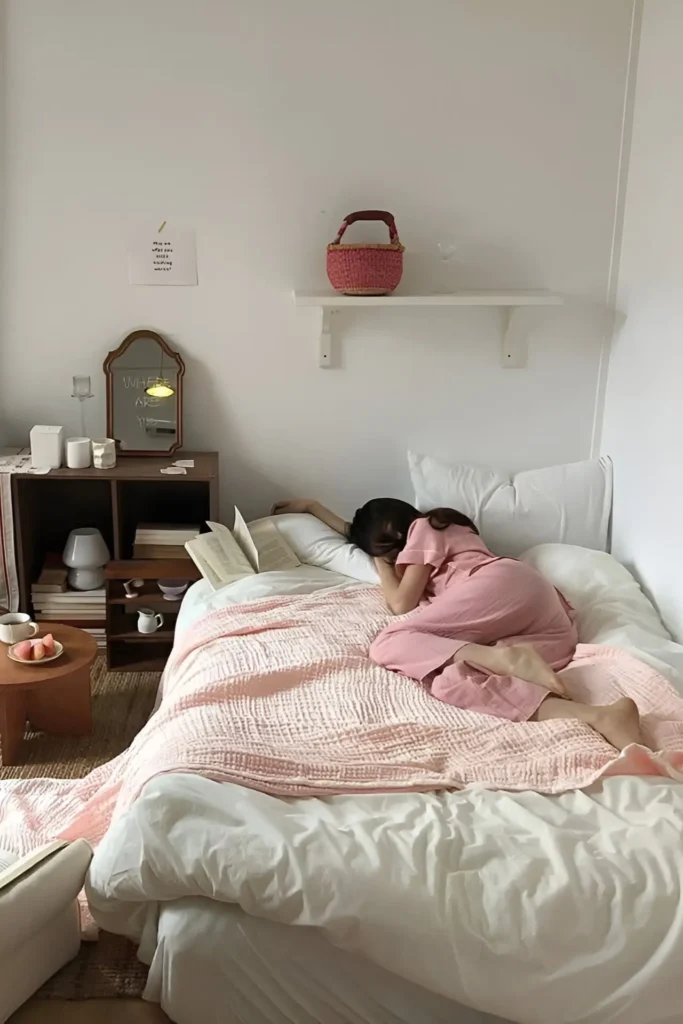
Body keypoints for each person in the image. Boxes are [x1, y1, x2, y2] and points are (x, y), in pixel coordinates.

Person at [272, 497, 643, 751]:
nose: (397, 547)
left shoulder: (424, 529)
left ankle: (505, 660)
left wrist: (381, 563)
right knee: (453, 680)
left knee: (389, 642)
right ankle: (601, 717)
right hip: (543, 618)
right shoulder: (445, 528)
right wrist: (313, 507)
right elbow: (356, 532)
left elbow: (400, 602)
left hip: (497, 586)